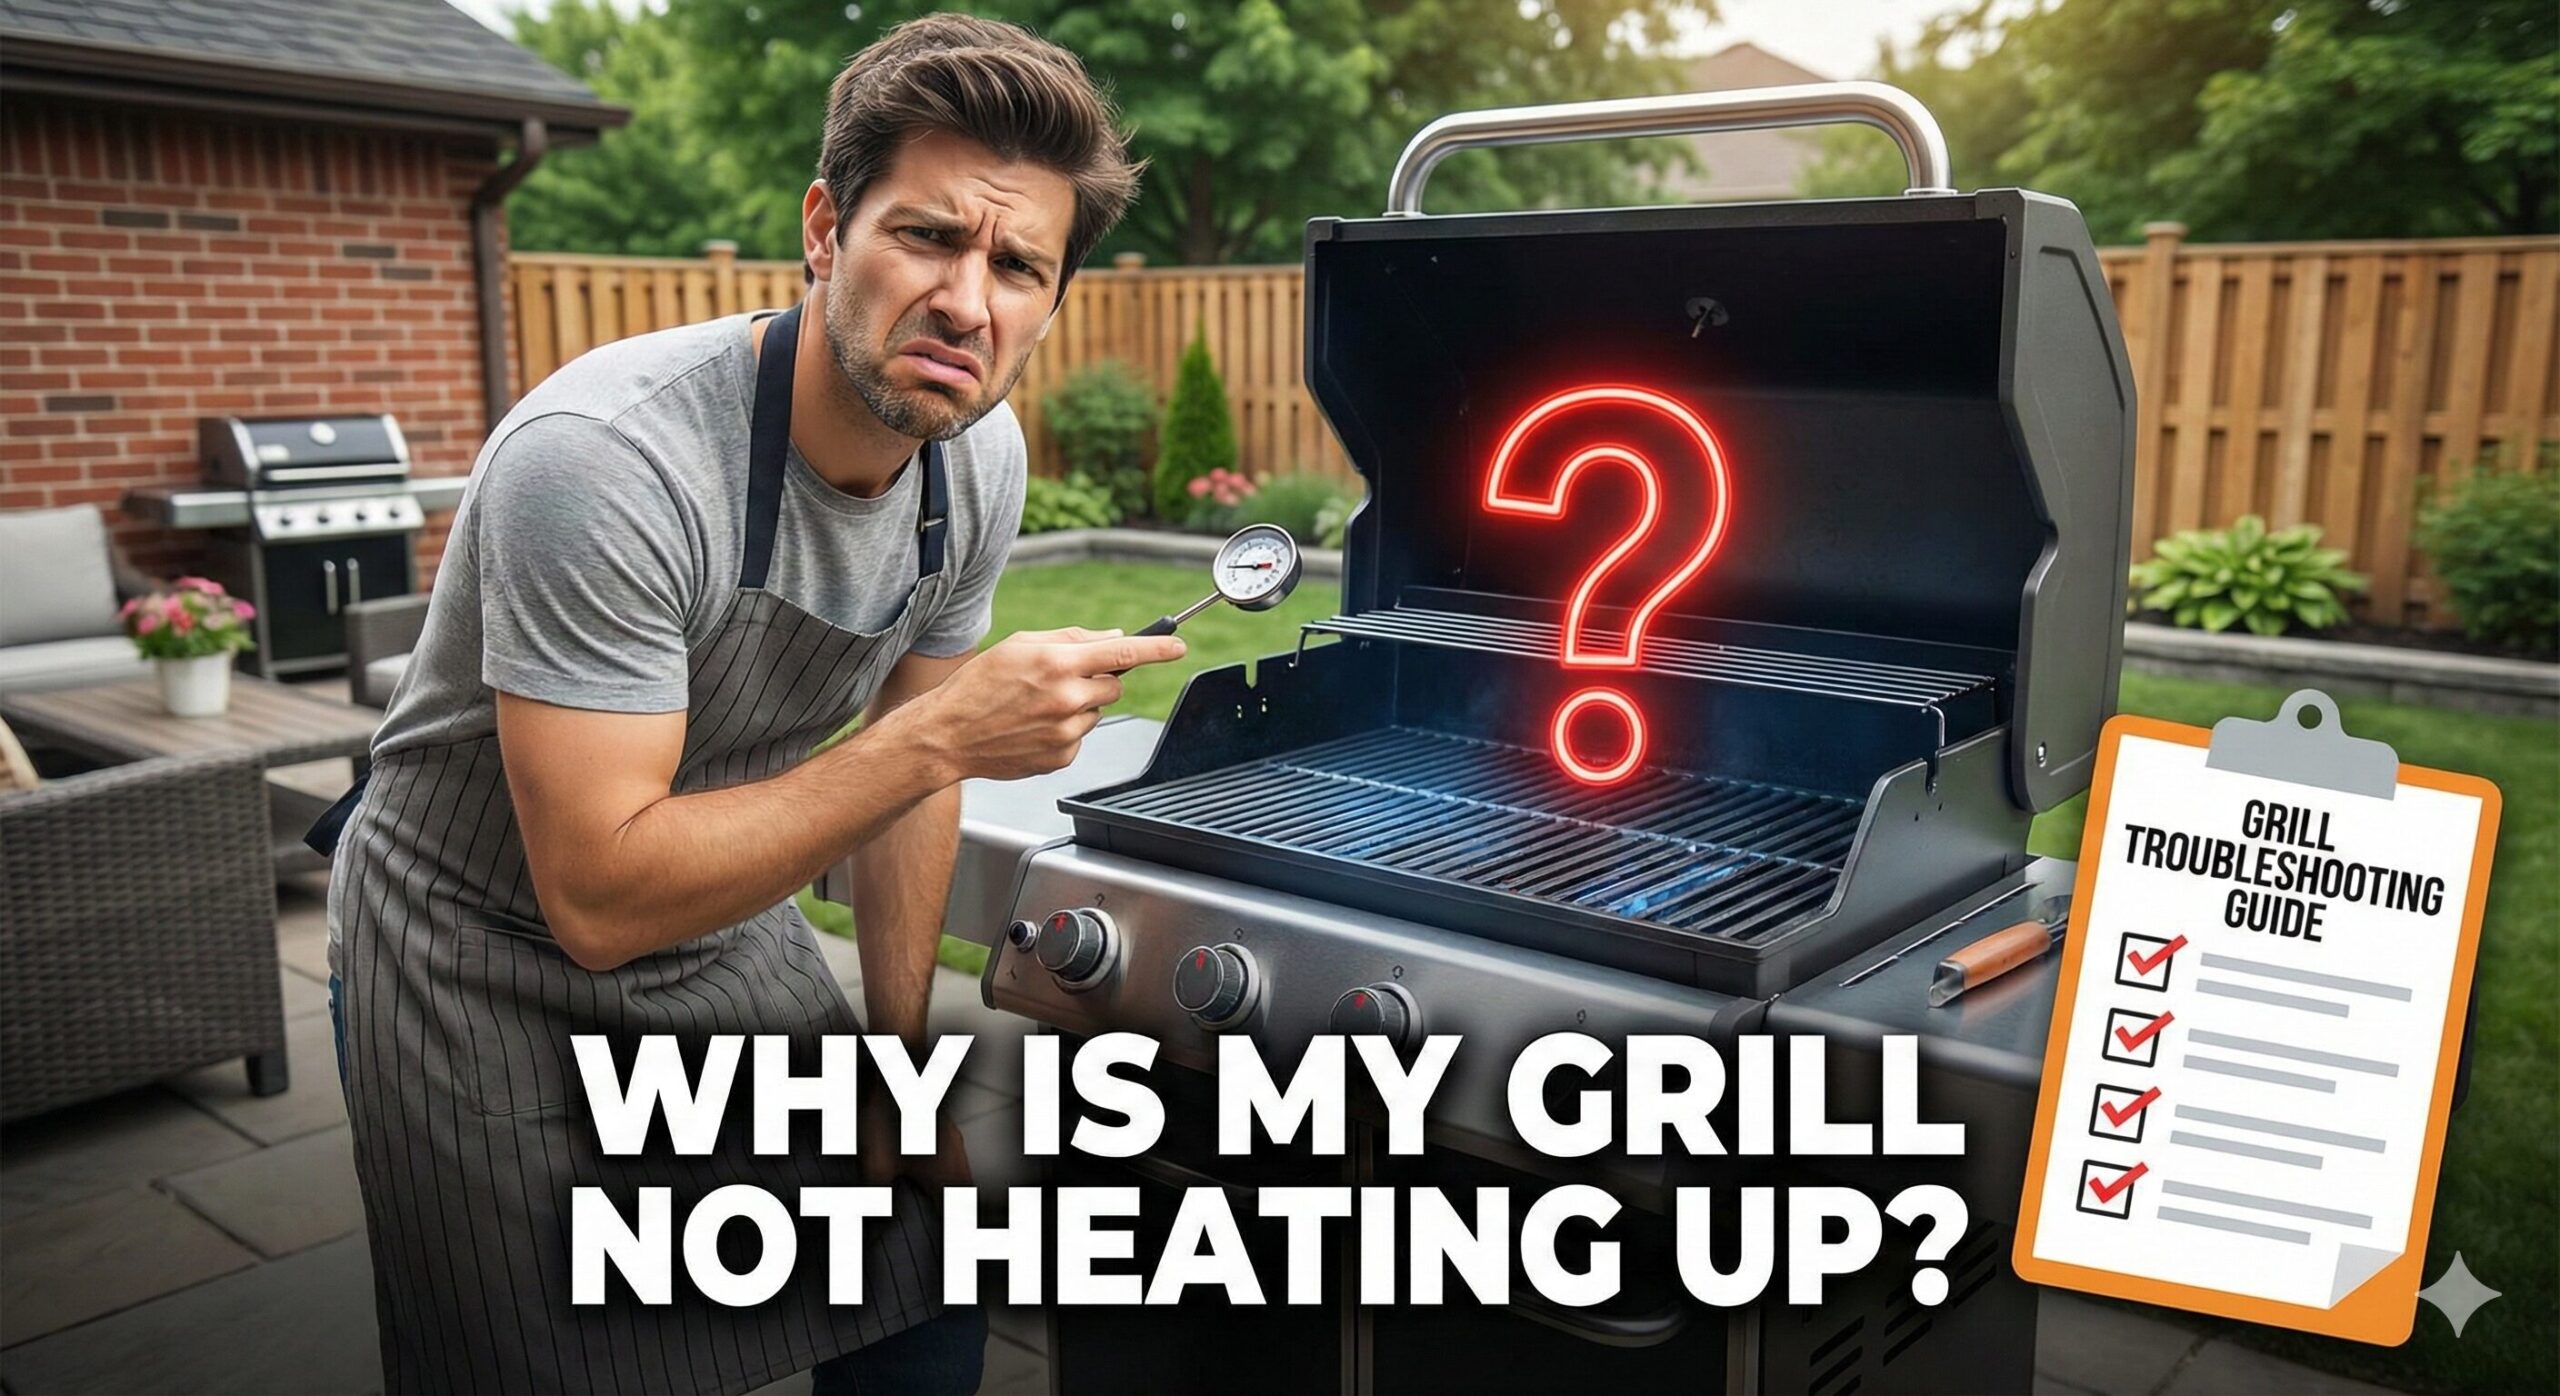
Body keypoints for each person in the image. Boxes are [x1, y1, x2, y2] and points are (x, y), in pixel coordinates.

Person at [322, 15, 1176, 1393]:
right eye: (929, 237)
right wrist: (940, 733)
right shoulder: (608, 462)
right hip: (474, 946)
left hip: (717, 911)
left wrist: (894, 1071)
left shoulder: (977, 458)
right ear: (827, 230)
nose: (970, 300)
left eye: (1020, 264)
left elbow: (912, 778)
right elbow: (597, 896)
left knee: (915, 1283)